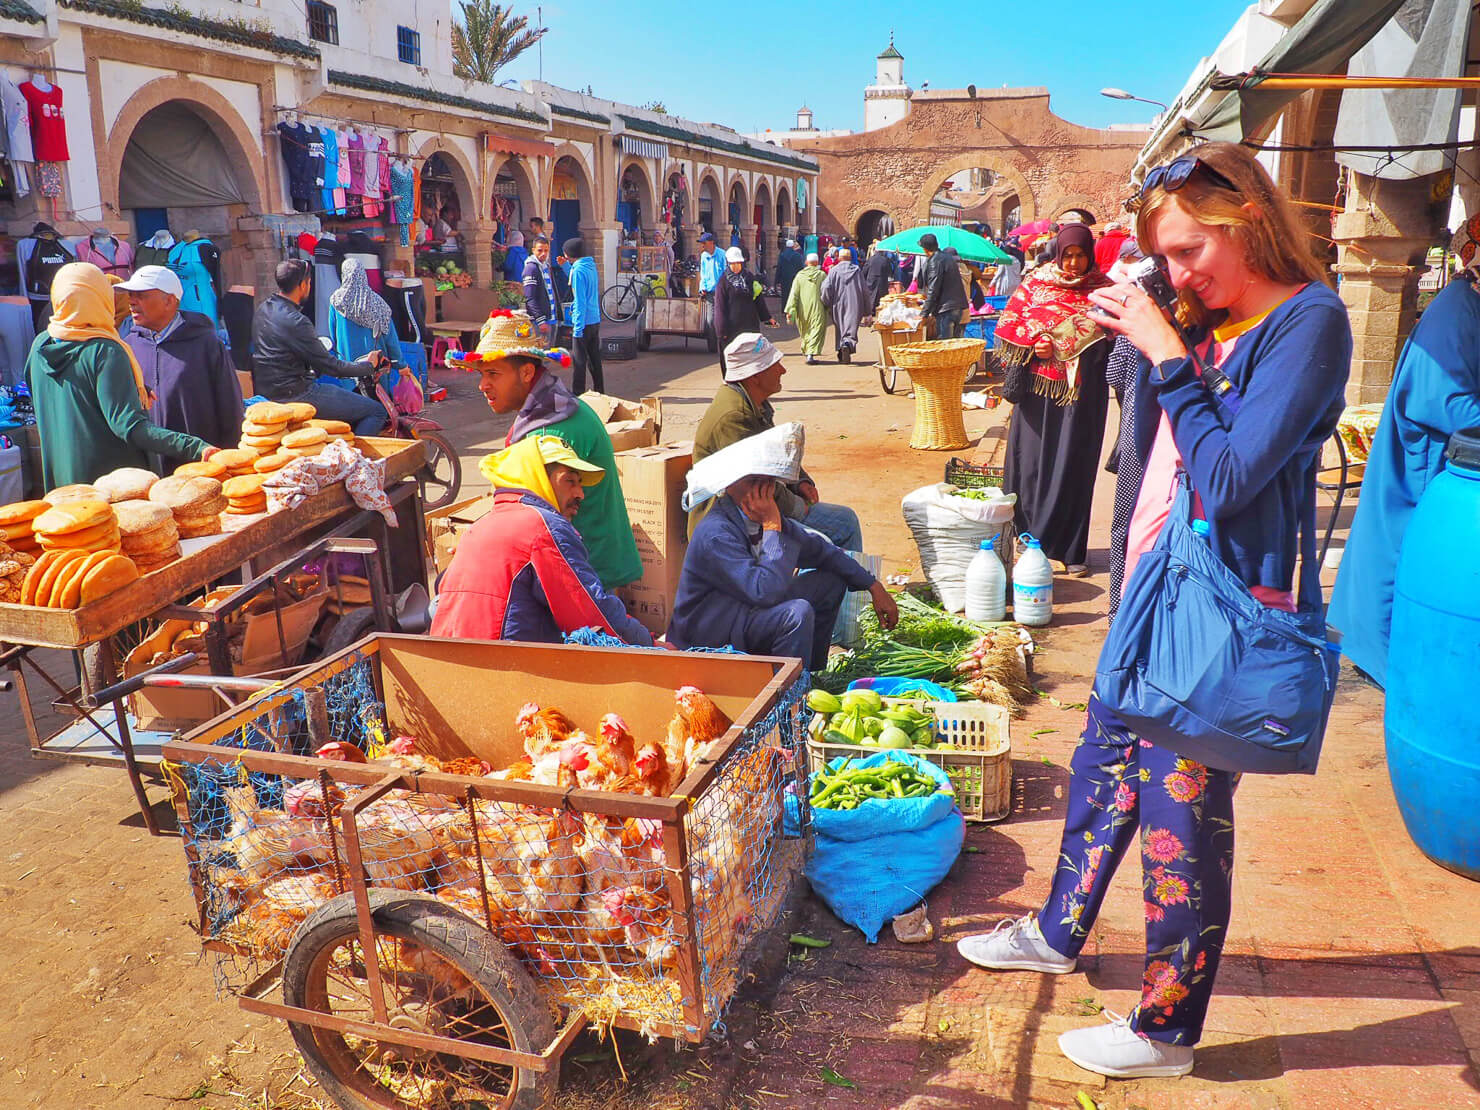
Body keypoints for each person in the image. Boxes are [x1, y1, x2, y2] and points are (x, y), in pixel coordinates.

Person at [957, 143, 1350, 1080]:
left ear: (1245, 219)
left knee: (1183, 813)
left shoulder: (1310, 323)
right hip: (1154, 592)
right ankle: (1059, 930)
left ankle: (1167, 1029)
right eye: (1165, 260)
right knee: (1102, 766)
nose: (1178, 274)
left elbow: (1225, 476)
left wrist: (1169, 350)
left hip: (1218, 607)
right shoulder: (1208, 316)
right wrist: (1136, 336)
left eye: (1187, 252)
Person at [1329, 267, 1480, 687]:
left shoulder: (1465, 305)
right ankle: (1384, 657)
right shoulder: (1456, 311)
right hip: (1424, 461)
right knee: (1400, 556)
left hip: (1432, 458)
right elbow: (1443, 401)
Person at [668, 424, 897, 669]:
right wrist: (771, 527)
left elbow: (822, 552)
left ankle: (810, 673)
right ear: (731, 486)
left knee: (831, 581)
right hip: (710, 635)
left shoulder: (768, 521)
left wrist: (874, 586)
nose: (762, 490)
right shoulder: (717, 533)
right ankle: (786, 694)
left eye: (766, 481)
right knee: (796, 614)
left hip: (746, 614)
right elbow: (765, 592)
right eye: (753, 481)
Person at [451, 309, 641, 589]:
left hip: (584, 577)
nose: (483, 385)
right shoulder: (554, 408)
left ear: (527, 372)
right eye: (481, 374)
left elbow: (535, 528)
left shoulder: (549, 435)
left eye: (493, 373)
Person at [430, 434, 653, 646]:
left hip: (450, 661)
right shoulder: (544, 527)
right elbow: (592, 611)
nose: (580, 494)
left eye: (580, 483)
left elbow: (443, 587)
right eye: (570, 481)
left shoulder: (481, 524)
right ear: (538, 477)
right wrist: (651, 644)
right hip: (501, 667)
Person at [26, 262, 218, 488]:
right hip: (112, 486)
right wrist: (195, 447)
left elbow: (61, 395)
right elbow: (129, 426)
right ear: (100, 298)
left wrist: (123, 387)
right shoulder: (105, 351)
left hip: (64, 481)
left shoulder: (40, 345)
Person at [997, 224, 1113, 575]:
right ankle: (1028, 538)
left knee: (1073, 468)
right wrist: (1034, 345)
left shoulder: (1105, 291)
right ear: (1059, 253)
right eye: (1069, 255)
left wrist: (1078, 345)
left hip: (1082, 397)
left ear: (1090, 255)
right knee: (1030, 466)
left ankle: (1070, 548)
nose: (1075, 263)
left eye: (1081, 256)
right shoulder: (1035, 284)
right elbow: (1010, 324)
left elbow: (1118, 336)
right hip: (1037, 395)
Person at [689, 332, 863, 552]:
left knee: (836, 528)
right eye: (775, 365)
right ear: (755, 376)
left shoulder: (752, 403)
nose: (783, 370)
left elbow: (775, 458)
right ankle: (855, 586)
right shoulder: (734, 415)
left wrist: (801, 481)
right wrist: (799, 508)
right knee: (842, 527)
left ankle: (846, 584)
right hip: (731, 520)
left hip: (754, 507)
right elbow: (755, 485)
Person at [252, 259, 389, 435]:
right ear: (302, 285)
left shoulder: (263, 309)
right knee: (376, 411)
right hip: (298, 394)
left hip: (268, 391)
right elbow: (333, 367)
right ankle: (355, 460)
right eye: (309, 282)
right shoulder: (297, 321)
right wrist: (368, 366)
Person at [120, 264, 245, 453]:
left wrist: (228, 458)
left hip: (202, 463)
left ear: (169, 301)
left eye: (142, 295)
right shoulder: (129, 347)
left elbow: (230, 408)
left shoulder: (206, 344)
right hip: (152, 469)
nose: (132, 302)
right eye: (130, 295)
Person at [327, 258, 405, 391]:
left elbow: (333, 335)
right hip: (376, 370)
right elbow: (391, 340)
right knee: (379, 405)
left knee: (353, 405)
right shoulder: (378, 303)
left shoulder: (336, 301)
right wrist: (401, 365)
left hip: (347, 369)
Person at [714, 246, 775, 378]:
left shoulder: (749, 278)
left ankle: (751, 385)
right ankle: (731, 384)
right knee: (731, 359)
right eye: (733, 263)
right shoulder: (723, 282)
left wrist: (767, 318)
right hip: (731, 329)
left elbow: (758, 300)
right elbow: (719, 308)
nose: (736, 266)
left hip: (749, 326)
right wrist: (721, 331)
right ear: (728, 263)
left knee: (750, 357)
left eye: (738, 263)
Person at [563, 237, 604, 394]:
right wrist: (565, 267)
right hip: (594, 320)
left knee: (579, 362)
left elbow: (580, 301)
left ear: (569, 254)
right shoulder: (589, 266)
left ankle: (577, 394)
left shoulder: (578, 271)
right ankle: (600, 391)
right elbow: (577, 278)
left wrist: (577, 328)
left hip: (583, 322)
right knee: (594, 360)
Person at [819, 247, 867, 363]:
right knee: (851, 327)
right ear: (850, 258)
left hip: (838, 303)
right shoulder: (857, 270)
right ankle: (848, 344)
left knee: (840, 328)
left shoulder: (834, 271)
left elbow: (825, 287)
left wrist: (826, 301)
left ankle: (841, 348)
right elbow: (864, 290)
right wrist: (868, 311)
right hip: (854, 303)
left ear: (839, 258)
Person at [521, 236, 571, 344]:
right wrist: (540, 320)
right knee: (542, 354)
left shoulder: (546, 267)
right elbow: (530, 298)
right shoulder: (531, 269)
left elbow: (552, 292)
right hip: (541, 321)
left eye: (546, 250)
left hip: (552, 319)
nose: (543, 253)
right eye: (539, 250)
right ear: (533, 250)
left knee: (550, 352)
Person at [919, 233, 967, 339]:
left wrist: (924, 314)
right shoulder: (948, 258)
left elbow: (933, 288)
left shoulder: (935, 261)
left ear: (925, 249)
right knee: (954, 344)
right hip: (957, 307)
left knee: (946, 345)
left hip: (946, 309)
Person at [785, 253, 827, 364]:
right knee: (816, 329)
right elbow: (827, 292)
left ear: (806, 262)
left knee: (805, 330)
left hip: (802, 309)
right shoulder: (822, 275)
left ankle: (808, 351)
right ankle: (810, 354)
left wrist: (790, 309)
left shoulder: (799, 276)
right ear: (817, 262)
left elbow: (794, 293)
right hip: (818, 307)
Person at [862, 245, 894, 316]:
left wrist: (863, 278)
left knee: (871, 296)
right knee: (882, 296)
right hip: (882, 280)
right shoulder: (886, 259)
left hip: (871, 280)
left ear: (875, 251)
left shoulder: (871, 259)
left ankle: (870, 311)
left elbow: (865, 270)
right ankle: (881, 311)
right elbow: (890, 271)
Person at [775, 238, 805, 306]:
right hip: (794, 277)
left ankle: (785, 308)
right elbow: (800, 267)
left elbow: (779, 268)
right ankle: (793, 307)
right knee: (794, 292)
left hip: (784, 277)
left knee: (785, 294)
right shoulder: (797, 255)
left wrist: (777, 280)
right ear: (793, 246)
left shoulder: (782, 255)